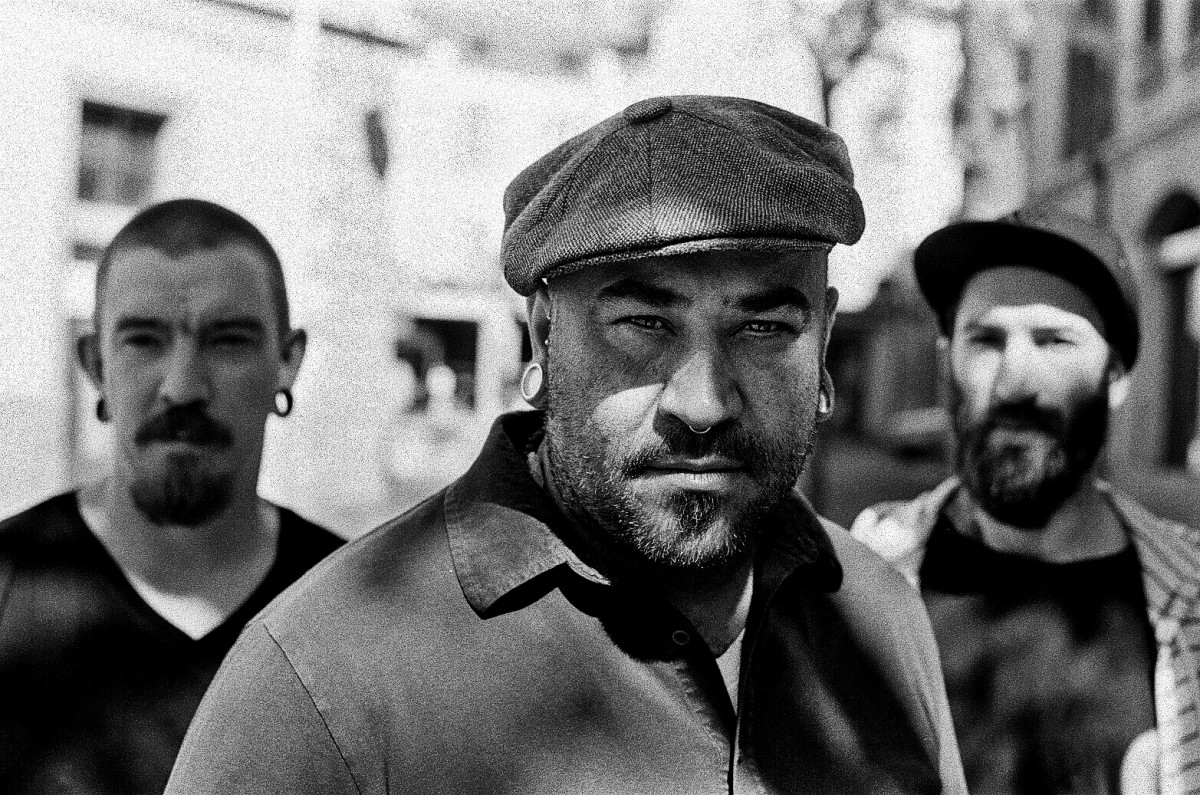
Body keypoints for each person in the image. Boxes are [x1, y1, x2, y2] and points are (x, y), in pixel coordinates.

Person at [167, 96, 966, 794]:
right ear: (543, 336)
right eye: (644, 324)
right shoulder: (325, 677)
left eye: (763, 327)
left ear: (823, 340)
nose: (702, 402)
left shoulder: (879, 616)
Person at [0, 199, 344, 794]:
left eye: (228, 341)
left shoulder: (354, 613)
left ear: (286, 362)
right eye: (143, 340)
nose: (183, 387)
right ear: (95, 364)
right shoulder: (8, 589)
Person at [852, 208, 1199, 794]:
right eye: (985, 340)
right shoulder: (859, 578)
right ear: (947, 361)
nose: (1013, 383)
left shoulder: (1190, 593)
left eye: (1053, 340)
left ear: (1116, 376)